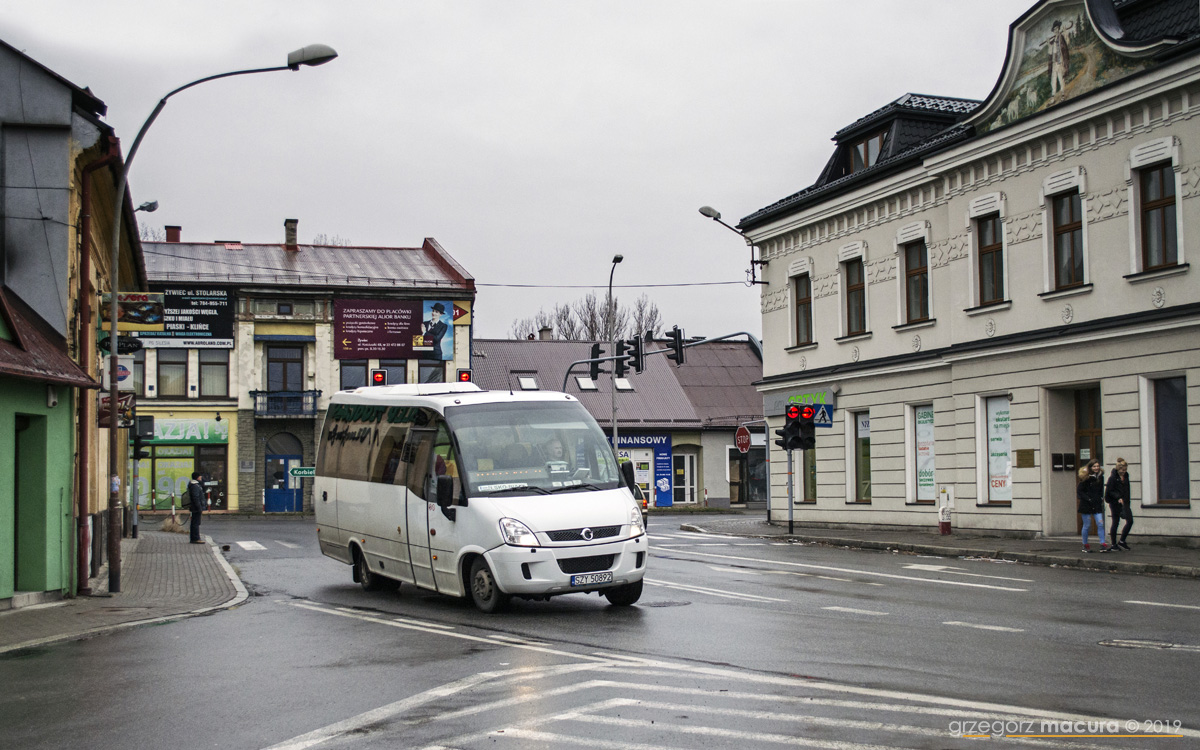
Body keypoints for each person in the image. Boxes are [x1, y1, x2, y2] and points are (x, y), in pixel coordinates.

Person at [1076, 459, 1109, 552]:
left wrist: (1102, 497)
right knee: (1087, 525)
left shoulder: (1100, 477)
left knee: (1100, 523)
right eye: (1094, 466)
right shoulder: (1085, 478)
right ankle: (1085, 544)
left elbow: (1101, 489)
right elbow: (1080, 491)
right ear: (1090, 467)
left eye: (1098, 466)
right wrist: (1088, 498)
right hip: (1086, 504)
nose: (1096, 468)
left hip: (1097, 504)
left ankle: (1103, 544)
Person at [1106, 458, 1133, 550]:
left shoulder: (1126, 477)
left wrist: (1127, 501)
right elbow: (1109, 491)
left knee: (1130, 521)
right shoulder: (1112, 478)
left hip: (1125, 502)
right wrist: (1118, 497)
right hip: (1115, 503)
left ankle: (1122, 541)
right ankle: (1114, 544)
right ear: (1118, 469)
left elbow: (1127, 490)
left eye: (1125, 470)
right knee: (1115, 522)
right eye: (1122, 470)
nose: (1124, 472)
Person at [187, 472, 206, 544]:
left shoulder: (194, 485)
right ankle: (195, 538)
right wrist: (199, 507)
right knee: (195, 523)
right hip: (196, 508)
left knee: (195, 522)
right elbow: (196, 497)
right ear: (197, 477)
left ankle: (194, 538)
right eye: (200, 477)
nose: (201, 478)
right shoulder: (195, 486)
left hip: (195, 507)